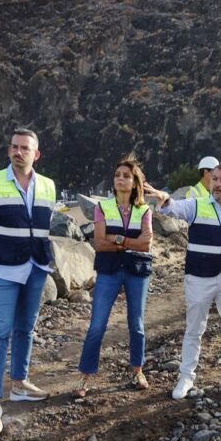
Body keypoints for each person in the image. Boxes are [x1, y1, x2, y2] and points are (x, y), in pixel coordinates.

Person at [0, 128, 56, 438]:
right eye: (14, 147)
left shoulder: (48, 186)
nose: (19, 152)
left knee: (26, 328)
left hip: (36, 266)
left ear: (36, 154)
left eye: (25, 148)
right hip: (0, 269)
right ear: (9, 151)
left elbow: (44, 224)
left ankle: (19, 384)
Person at [143, 164, 221, 399]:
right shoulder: (196, 205)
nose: (218, 184)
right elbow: (174, 208)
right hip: (199, 277)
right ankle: (186, 377)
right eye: (215, 179)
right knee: (194, 329)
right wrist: (164, 198)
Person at [73, 154, 154, 398]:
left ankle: (137, 371)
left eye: (126, 176)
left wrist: (116, 239)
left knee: (137, 325)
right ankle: (85, 376)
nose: (120, 179)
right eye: (117, 175)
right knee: (97, 325)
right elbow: (99, 243)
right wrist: (130, 242)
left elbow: (146, 244)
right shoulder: (103, 207)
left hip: (137, 271)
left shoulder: (144, 210)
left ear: (134, 182)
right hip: (108, 270)